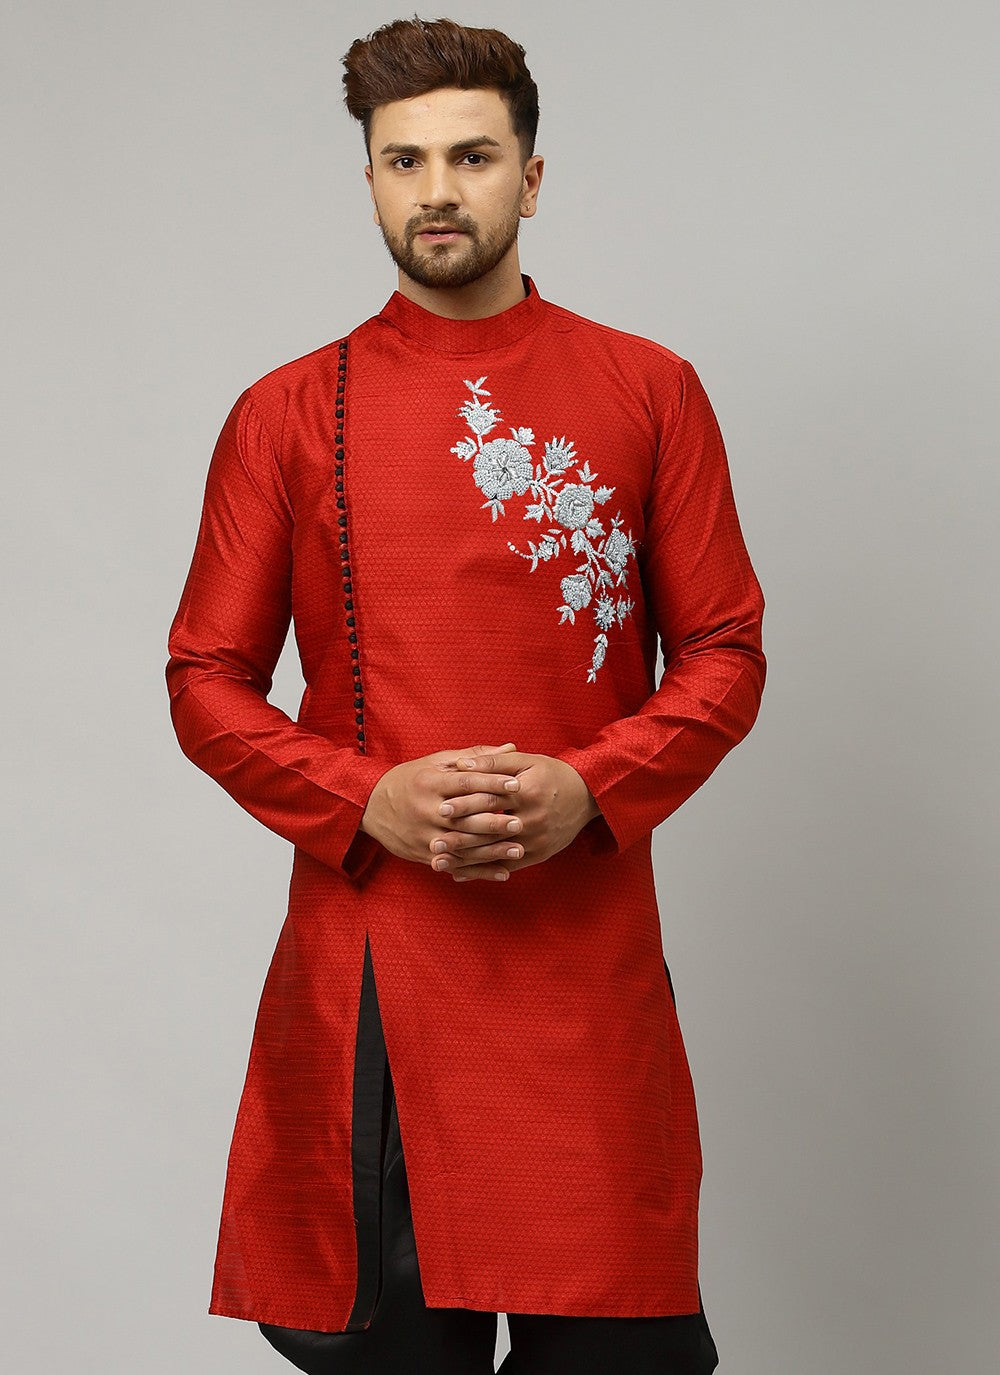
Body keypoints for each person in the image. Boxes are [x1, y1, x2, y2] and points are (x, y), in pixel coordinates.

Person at [165, 15, 766, 1374]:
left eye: (473, 157)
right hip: (380, 966)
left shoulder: (649, 391)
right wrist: (362, 796)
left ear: (531, 179)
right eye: (406, 161)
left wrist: (590, 787)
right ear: (371, 182)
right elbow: (205, 678)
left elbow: (726, 648)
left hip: (583, 966)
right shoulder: (284, 414)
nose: (438, 190)